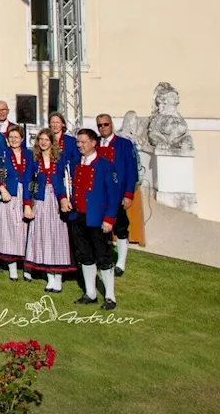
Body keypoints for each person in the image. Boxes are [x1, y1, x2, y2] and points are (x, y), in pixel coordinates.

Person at [66, 128, 121, 310]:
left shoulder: (105, 165)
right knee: (84, 255)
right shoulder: (74, 163)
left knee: (102, 256)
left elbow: (113, 195)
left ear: (93, 143)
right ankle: (90, 293)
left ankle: (110, 296)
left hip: (97, 218)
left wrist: (109, 219)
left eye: (83, 142)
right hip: (78, 215)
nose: (80, 145)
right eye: (78, 142)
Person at [24, 129, 73, 291]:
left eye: (47, 139)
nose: (44, 142)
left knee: (57, 236)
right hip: (40, 200)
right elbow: (29, 182)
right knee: (43, 235)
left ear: (52, 141)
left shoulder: (61, 159)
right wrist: (27, 203)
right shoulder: (34, 160)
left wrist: (64, 198)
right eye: (41, 139)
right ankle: (49, 276)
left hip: (57, 200)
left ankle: (57, 276)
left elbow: (66, 180)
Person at [96, 113, 139, 276]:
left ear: (111, 125)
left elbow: (131, 170)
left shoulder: (124, 144)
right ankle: (103, 258)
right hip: (100, 195)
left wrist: (128, 194)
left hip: (118, 194)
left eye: (105, 124)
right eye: (100, 125)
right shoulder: (96, 144)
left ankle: (120, 262)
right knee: (100, 228)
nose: (103, 128)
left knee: (120, 227)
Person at [0, 126, 34, 281]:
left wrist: (29, 199)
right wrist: (1, 188)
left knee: (25, 231)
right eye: (11, 137)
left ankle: (27, 267)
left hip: (24, 193)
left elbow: (32, 176)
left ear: (22, 139)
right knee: (9, 230)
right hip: (8, 194)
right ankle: (12, 268)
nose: (14, 140)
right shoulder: (3, 154)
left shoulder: (29, 155)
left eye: (17, 137)